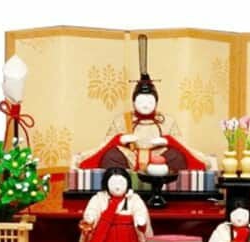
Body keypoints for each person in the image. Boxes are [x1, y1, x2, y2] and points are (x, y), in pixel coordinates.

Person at [74, 35, 211, 173]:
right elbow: (105, 144)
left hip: (158, 158)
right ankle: (123, 179)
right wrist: (120, 139)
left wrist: (167, 141)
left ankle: (162, 179)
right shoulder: (122, 120)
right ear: (134, 102)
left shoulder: (167, 121)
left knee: (177, 156)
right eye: (141, 101)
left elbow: (181, 144)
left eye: (150, 101)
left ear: (156, 102)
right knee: (111, 156)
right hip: (129, 157)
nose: (145, 105)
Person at [76, 168, 153, 242]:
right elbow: (93, 210)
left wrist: (140, 219)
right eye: (113, 183)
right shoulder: (99, 198)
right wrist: (90, 217)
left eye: (121, 183)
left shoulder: (134, 198)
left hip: (127, 237)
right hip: (105, 237)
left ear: (128, 183)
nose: (117, 187)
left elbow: (140, 210)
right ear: (106, 184)